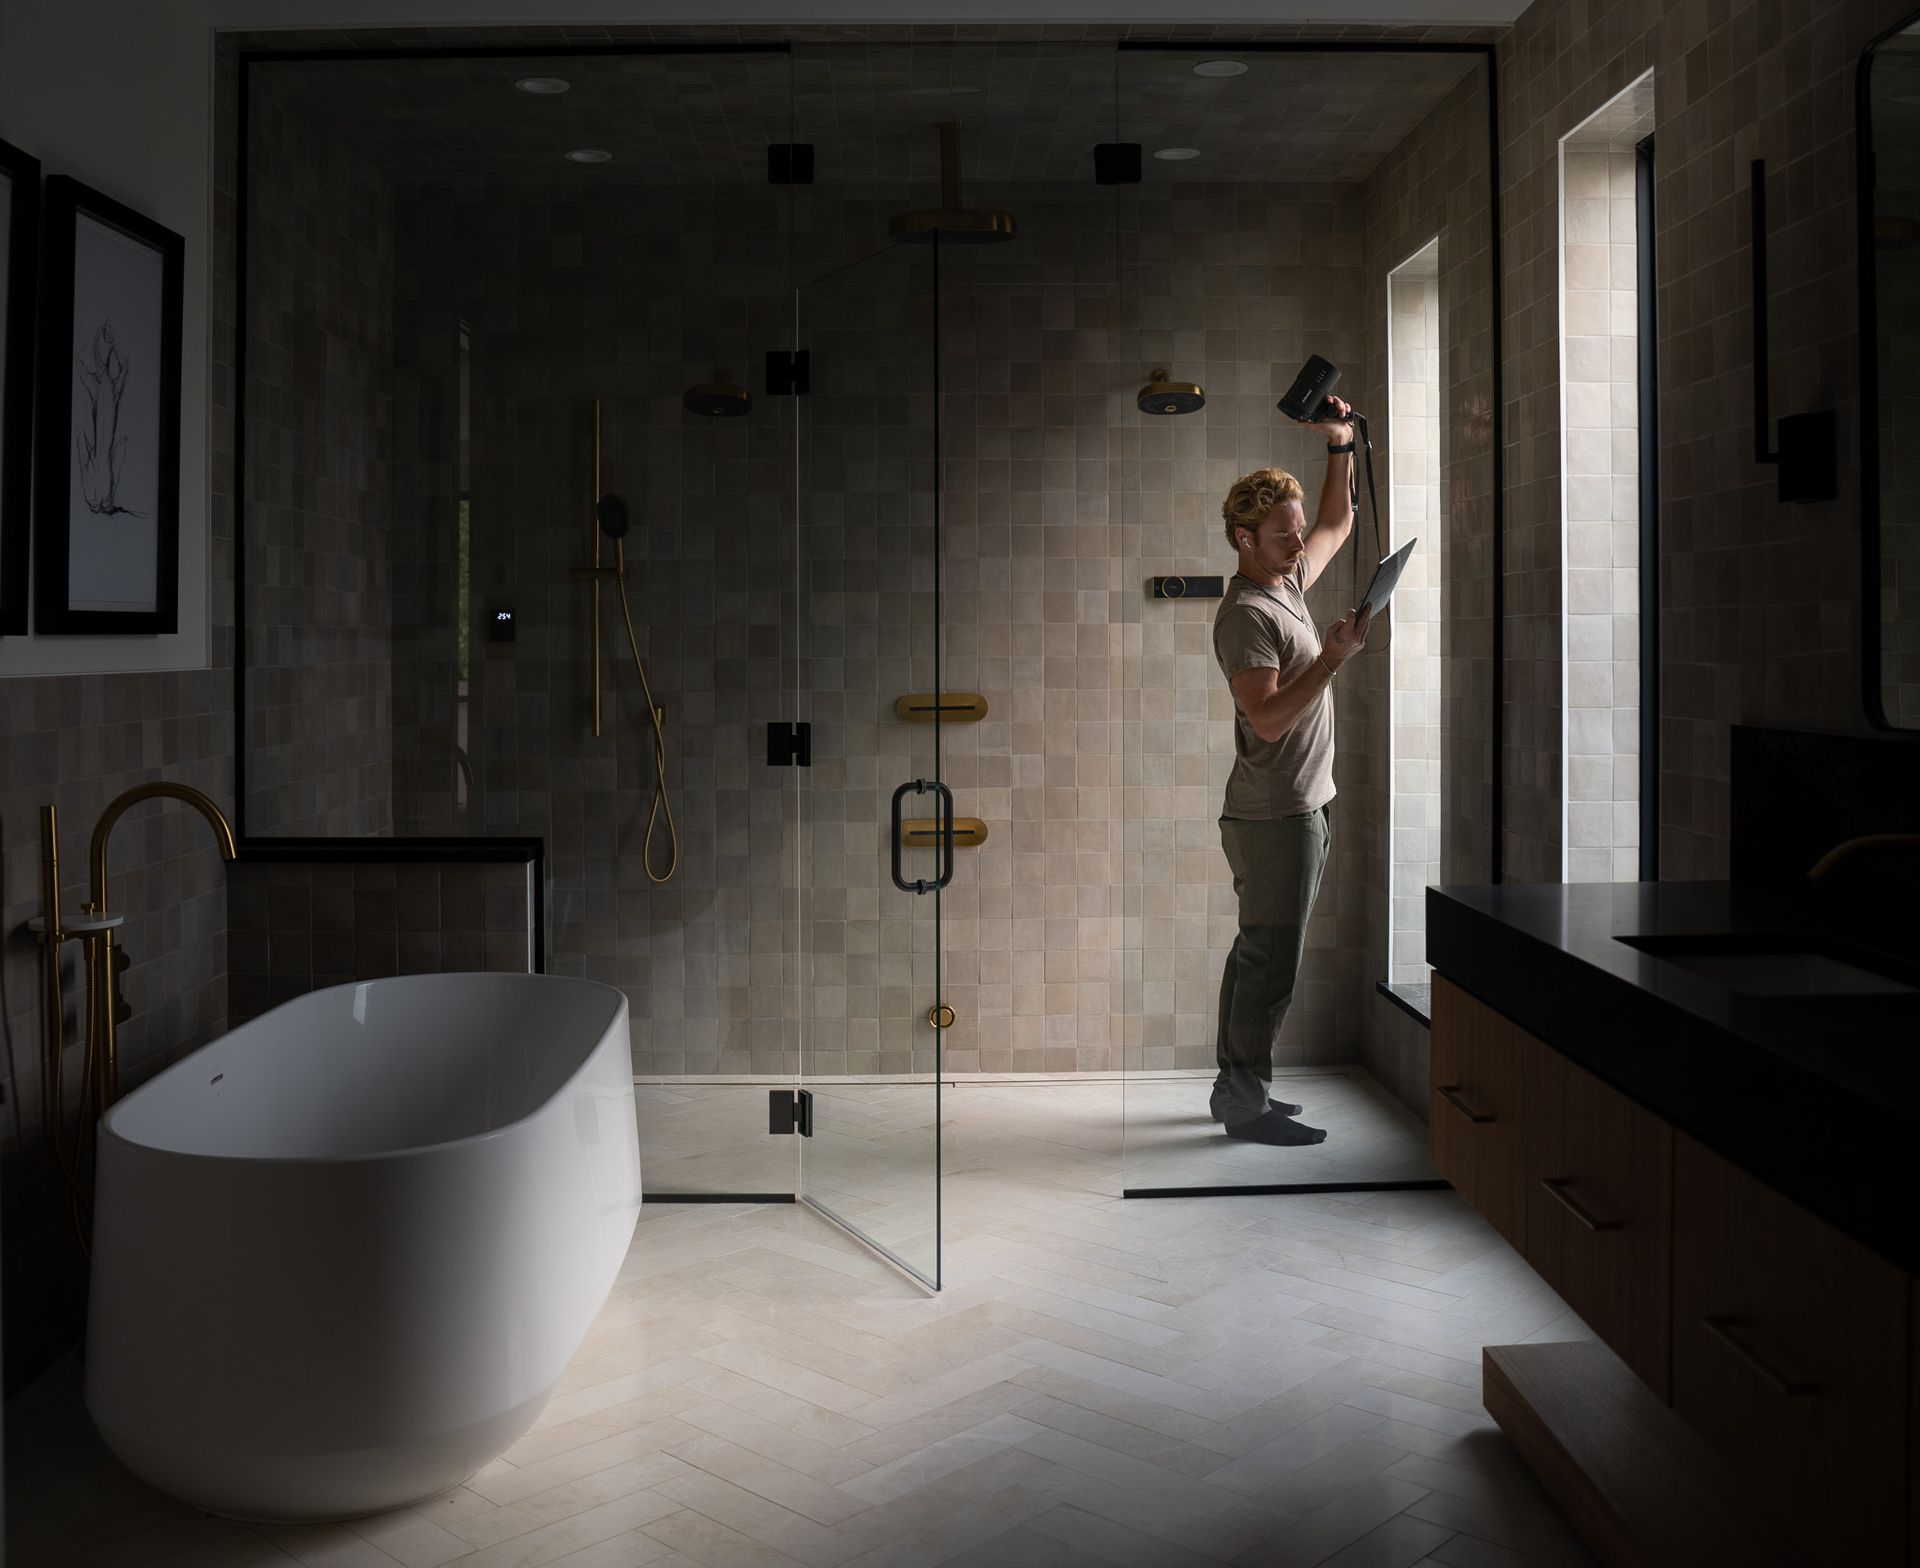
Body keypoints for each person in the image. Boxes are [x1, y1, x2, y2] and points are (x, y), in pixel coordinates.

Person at [1209, 393, 1373, 1145]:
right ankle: (1245, 1104)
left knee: (1258, 956)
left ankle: (1238, 1091)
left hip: (1301, 806)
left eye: (1296, 528)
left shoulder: (1288, 582)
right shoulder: (1248, 612)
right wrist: (1333, 661)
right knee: (1270, 964)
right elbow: (1267, 719)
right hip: (1274, 815)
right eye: (1282, 533)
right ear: (1245, 539)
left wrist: (1339, 446)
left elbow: (1339, 523)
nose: (1299, 541)